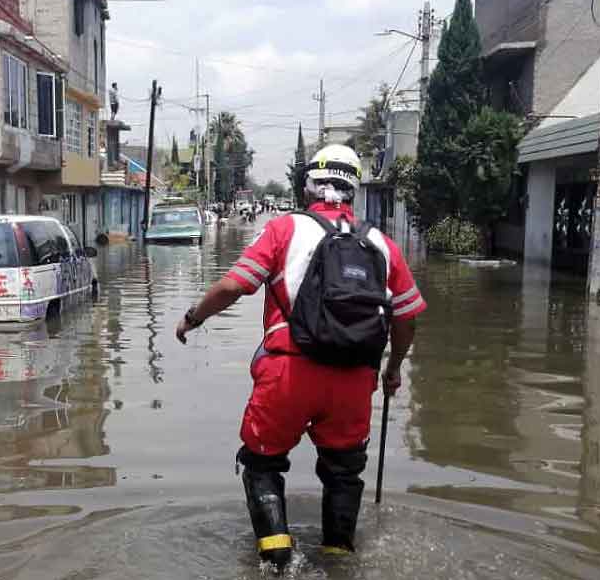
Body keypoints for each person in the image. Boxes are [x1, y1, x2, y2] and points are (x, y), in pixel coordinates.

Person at [175, 144, 425, 572]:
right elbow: (406, 318)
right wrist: (394, 368)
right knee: (344, 472)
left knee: (261, 463)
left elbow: (235, 286)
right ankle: (337, 558)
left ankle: (278, 557)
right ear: (353, 189)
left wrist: (192, 317)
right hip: (354, 381)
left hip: (288, 373)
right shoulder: (382, 244)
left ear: (308, 184)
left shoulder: (284, 229)